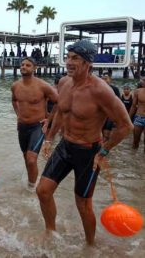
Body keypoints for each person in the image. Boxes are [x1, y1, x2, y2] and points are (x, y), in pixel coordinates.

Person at [37, 40, 133, 245]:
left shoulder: (101, 91)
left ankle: (90, 245)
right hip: (65, 146)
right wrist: (49, 138)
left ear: (88, 63)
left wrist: (104, 152)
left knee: (82, 203)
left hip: (89, 152)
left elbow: (125, 126)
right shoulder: (64, 83)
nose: (68, 62)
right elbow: (61, 114)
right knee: (42, 191)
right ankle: (51, 232)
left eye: (75, 58)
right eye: (68, 57)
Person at [11, 57, 58, 191]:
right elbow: (14, 100)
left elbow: (58, 101)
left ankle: (31, 190)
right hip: (22, 126)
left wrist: (48, 119)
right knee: (27, 159)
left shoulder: (43, 86)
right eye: (22, 65)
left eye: (28, 65)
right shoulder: (15, 86)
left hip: (37, 126)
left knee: (31, 159)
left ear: (34, 68)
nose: (24, 67)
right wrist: (17, 114)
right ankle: (31, 181)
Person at [101, 71, 121, 142]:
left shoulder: (115, 89)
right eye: (102, 79)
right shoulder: (98, 89)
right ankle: (100, 150)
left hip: (110, 115)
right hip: (100, 115)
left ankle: (104, 151)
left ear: (110, 79)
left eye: (106, 78)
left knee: (107, 134)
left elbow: (119, 104)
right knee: (99, 133)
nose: (104, 80)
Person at [129, 76, 145, 151]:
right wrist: (128, 118)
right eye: (143, 81)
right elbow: (133, 106)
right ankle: (134, 159)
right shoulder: (138, 91)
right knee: (135, 141)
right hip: (139, 117)